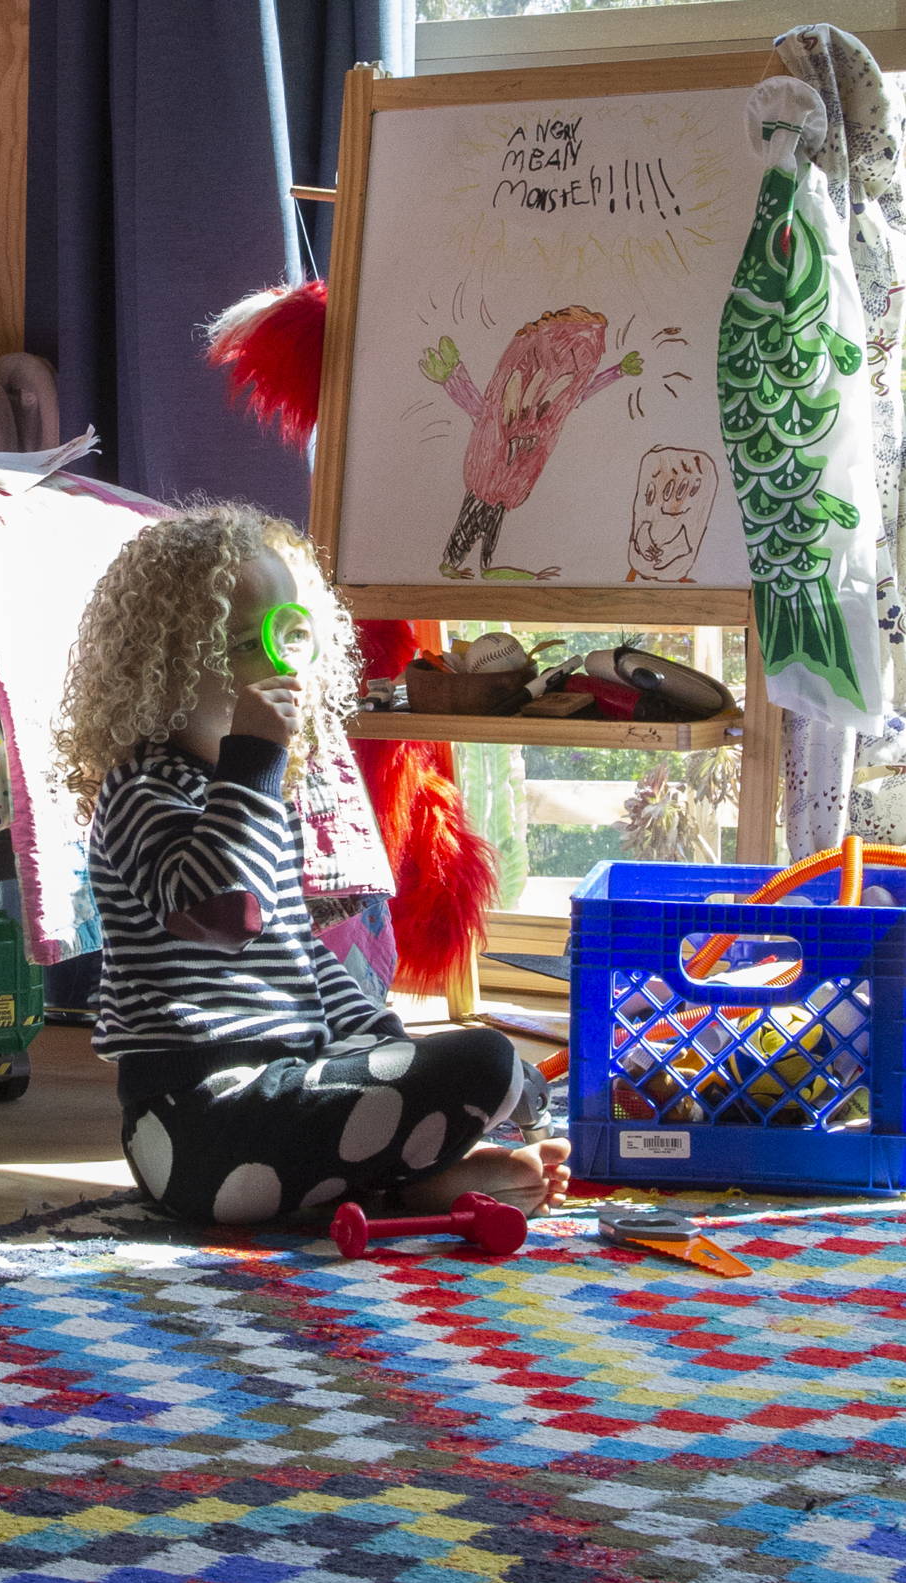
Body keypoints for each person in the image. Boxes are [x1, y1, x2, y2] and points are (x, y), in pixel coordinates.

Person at [57, 501, 568, 1228]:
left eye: (290, 638)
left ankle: (407, 1185)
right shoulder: (145, 789)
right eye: (242, 646)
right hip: (198, 1123)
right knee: (484, 1062)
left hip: (286, 1091)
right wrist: (255, 758)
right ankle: (409, 1175)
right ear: (165, 673)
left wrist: (390, 1046)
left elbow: (302, 960)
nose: (275, 665)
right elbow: (224, 916)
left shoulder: (259, 796)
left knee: (459, 1059)